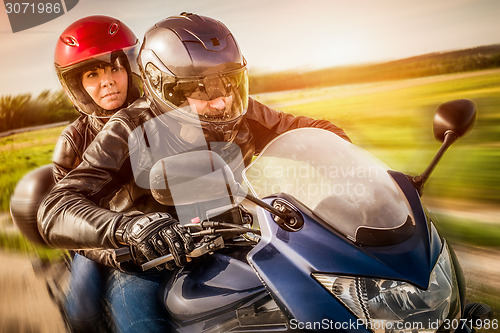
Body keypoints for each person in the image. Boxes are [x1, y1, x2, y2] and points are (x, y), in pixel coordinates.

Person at [38, 13, 350, 331]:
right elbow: (56, 208)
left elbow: (303, 129)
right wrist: (129, 229)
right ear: (166, 90)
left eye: (228, 82)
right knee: (137, 324)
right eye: (202, 89)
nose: (221, 101)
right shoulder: (129, 129)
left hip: (237, 237)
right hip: (148, 261)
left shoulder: (235, 108)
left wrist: (359, 165)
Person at [51, 15, 141, 332]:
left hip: (160, 232)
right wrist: (114, 250)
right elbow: (68, 223)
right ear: (77, 84)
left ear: (131, 68)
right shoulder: (72, 141)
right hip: (101, 239)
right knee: (83, 312)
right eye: (92, 73)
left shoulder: (157, 116)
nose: (108, 81)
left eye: (116, 67)